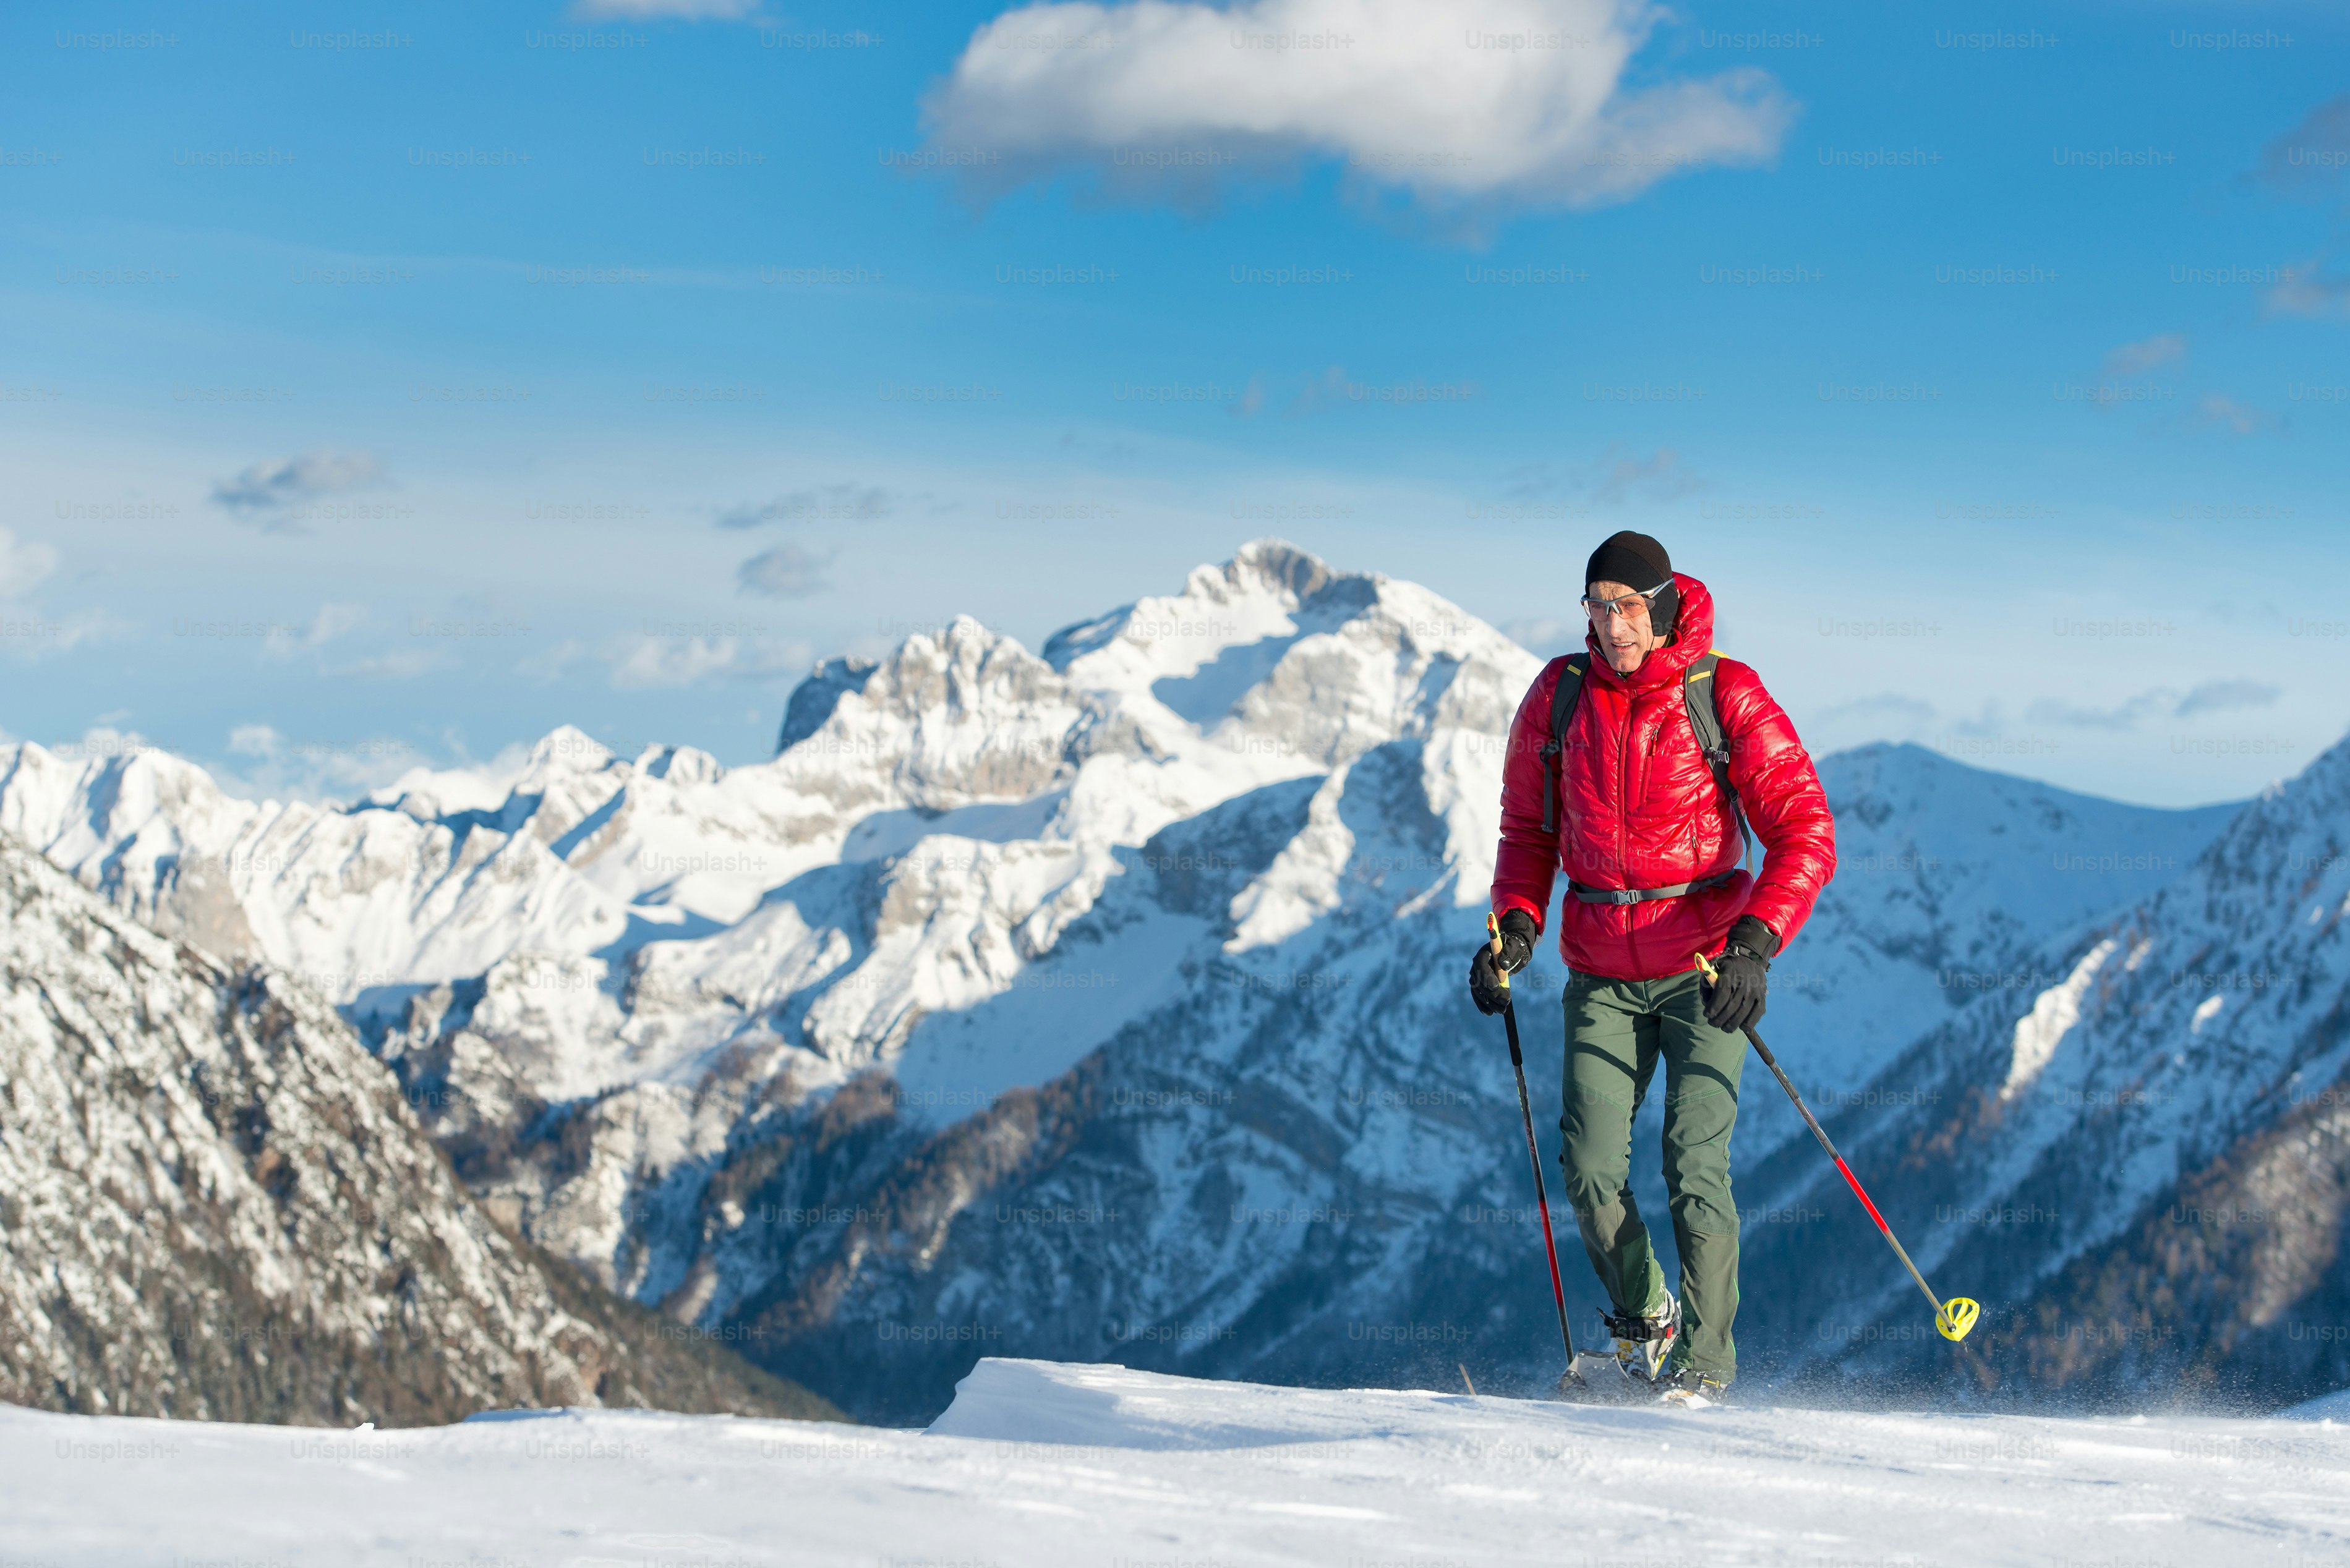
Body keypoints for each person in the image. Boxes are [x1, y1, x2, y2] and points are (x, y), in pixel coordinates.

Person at [1469, 530, 1835, 1404]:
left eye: (1627, 604)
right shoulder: (1560, 697)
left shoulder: (1724, 693)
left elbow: (1805, 831)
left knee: (1692, 1165)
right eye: (1596, 604)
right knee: (1590, 1166)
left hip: (1708, 968)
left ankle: (1703, 1369)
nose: (1611, 623)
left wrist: (1756, 943)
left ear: (1664, 604)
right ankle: (1648, 1316)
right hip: (1599, 967)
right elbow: (1529, 834)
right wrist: (1515, 928)